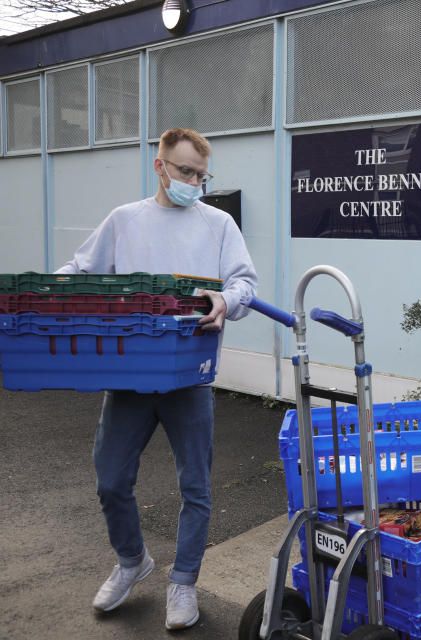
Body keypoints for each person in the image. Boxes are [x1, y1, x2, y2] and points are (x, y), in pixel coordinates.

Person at [56, 127, 258, 630]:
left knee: (196, 486)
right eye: (184, 170)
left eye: (200, 174)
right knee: (111, 480)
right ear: (159, 165)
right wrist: (46, 290)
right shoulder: (125, 221)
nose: (192, 181)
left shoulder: (218, 224)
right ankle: (132, 561)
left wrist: (225, 301)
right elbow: (80, 272)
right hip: (128, 376)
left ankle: (183, 582)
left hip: (189, 378)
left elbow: (244, 283)